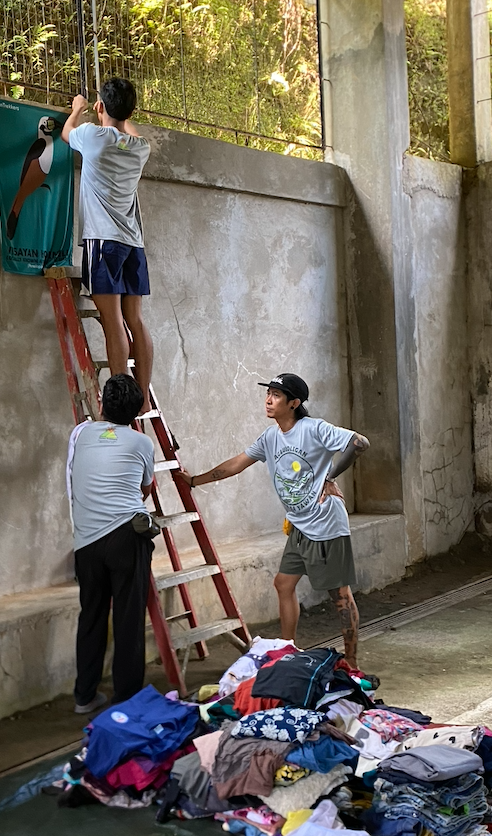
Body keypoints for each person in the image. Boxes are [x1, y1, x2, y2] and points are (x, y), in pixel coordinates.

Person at [175, 374, 371, 671]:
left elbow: (359, 442)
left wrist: (329, 477)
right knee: (283, 584)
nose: (268, 400)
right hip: (300, 525)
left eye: (276, 395)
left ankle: (352, 662)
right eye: (268, 393)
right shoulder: (270, 437)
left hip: (325, 523)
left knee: (340, 596)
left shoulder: (313, 428)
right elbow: (235, 464)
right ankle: (287, 650)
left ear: (294, 403)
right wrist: (194, 481)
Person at [62, 78, 154, 412]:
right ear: (131, 112)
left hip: (103, 241)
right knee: (135, 321)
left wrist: (77, 110)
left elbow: (66, 133)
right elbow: (128, 130)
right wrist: (116, 115)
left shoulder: (92, 136)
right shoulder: (140, 147)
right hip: (133, 244)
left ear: (100, 106)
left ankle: (122, 403)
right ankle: (142, 397)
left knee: (112, 320)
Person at [67, 373, 156, 715]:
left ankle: (84, 696)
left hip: (86, 542)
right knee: (128, 618)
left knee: (91, 615)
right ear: (137, 412)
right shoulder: (142, 442)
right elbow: (145, 488)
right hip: (126, 536)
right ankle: (126, 702)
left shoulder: (81, 433)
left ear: (101, 403)